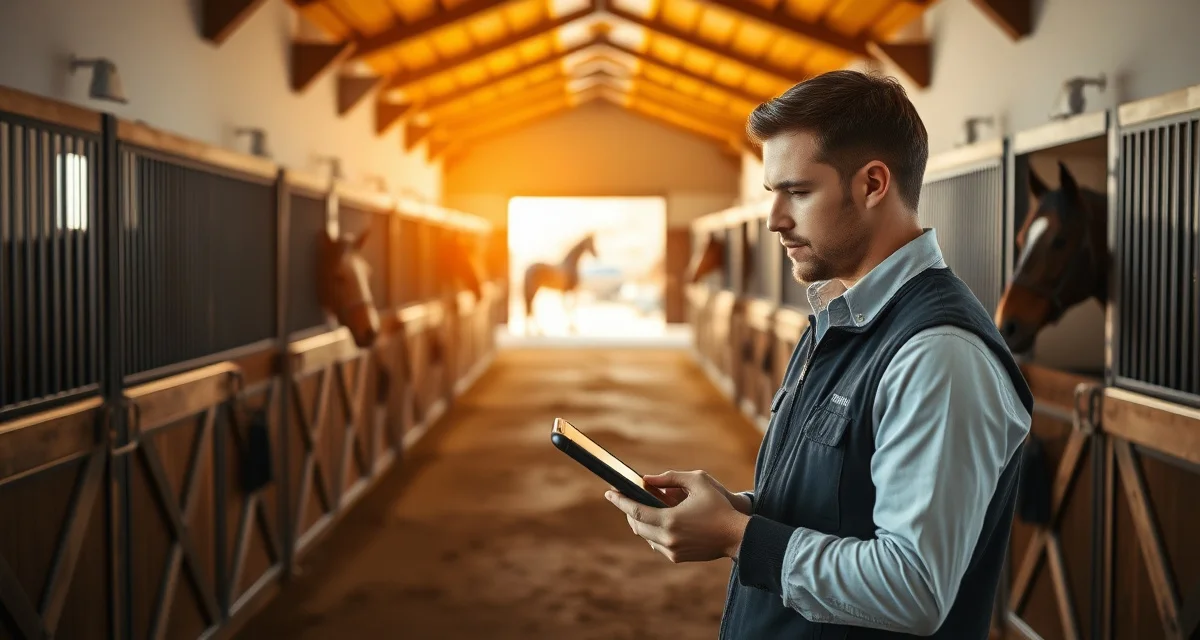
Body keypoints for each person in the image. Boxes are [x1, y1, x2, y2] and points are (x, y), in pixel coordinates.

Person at [603, 69, 1033, 638]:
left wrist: (736, 536)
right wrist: (738, 510)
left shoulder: (938, 353)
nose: (774, 220)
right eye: (773, 194)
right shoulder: (843, 315)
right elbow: (844, 504)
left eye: (799, 192)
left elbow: (913, 587)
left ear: (873, 184)